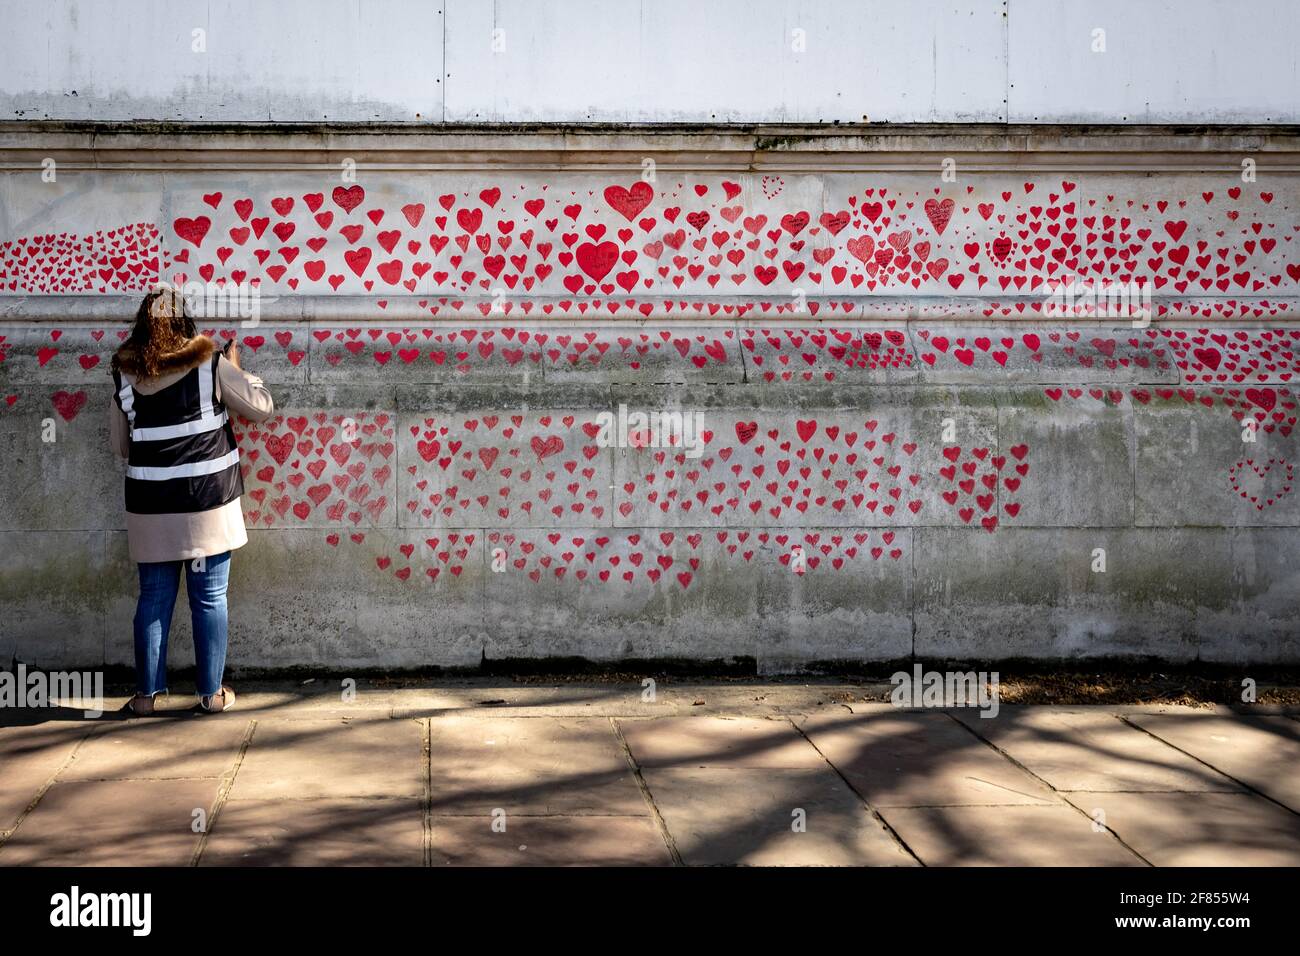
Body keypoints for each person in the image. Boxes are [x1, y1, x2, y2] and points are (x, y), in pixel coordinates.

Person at [109, 286, 274, 715]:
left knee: (154, 597)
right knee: (209, 597)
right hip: (207, 501)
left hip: (150, 502)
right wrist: (238, 370)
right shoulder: (209, 362)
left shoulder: (124, 370)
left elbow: (120, 445)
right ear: (184, 322)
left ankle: (146, 697)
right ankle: (210, 694)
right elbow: (260, 407)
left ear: (143, 325)